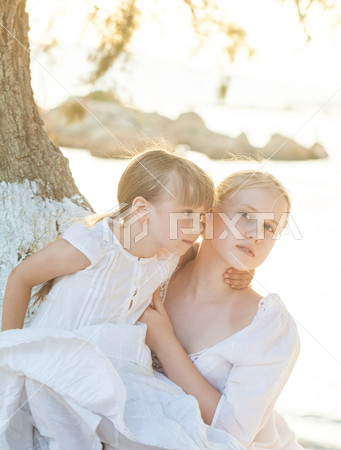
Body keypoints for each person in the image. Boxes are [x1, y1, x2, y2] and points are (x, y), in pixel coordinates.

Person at [0, 148, 249, 449]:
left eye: (201, 217)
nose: (196, 228)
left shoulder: (171, 253)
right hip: (59, 364)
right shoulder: (95, 245)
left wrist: (239, 273)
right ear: (142, 210)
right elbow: (21, 277)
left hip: (121, 371)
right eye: (186, 214)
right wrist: (11, 353)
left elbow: (206, 264)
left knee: (185, 435)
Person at [140, 170, 303, 449]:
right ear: (208, 215)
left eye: (269, 227)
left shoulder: (268, 326)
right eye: (246, 216)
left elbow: (233, 433)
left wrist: (165, 343)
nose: (256, 235)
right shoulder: (157, 272)